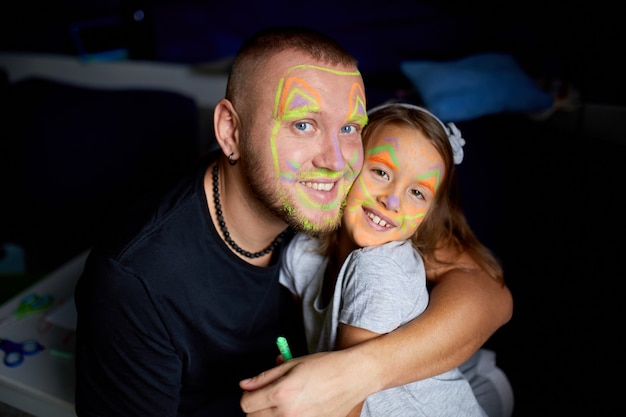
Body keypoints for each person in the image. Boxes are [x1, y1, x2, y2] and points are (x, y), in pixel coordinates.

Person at [74, 26, 512, 417]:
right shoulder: (136, 278)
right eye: (303, 125)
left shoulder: (350, 205)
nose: (336, 161)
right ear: (230, 130)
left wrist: (355, 374)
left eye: (350, 129)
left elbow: (489, 295)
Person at [280, 102, 502, 416]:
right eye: (381, 172)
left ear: (428, 215)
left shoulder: (377, 268)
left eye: (417, 193)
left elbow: (346, 399)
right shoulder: (302, 253)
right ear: (349, 164)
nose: (392, 200)